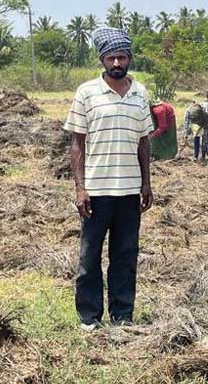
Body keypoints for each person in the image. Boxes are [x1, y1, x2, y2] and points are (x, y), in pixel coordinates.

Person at [64, 27, 154, 331]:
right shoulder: (87, 92)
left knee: (125, 256)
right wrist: (80, 188)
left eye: (122, 57)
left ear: (129, 59)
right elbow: (77, 143)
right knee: (89, 257)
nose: (117, 63)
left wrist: (146, 183)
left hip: (129, 191)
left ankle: (122, 316)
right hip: (97, 191)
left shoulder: (140, 93)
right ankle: (89, 317)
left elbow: (144, 141)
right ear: (102, 59)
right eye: (111, 57)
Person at [182, 98, 208, 162]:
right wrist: (186, 134)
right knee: (196, 137)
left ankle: (203, 155)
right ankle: (196, 156)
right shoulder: (189, 111)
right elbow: (186, 122)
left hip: (205, 122)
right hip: (196, 123)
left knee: (205, 140)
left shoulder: (207, 110)